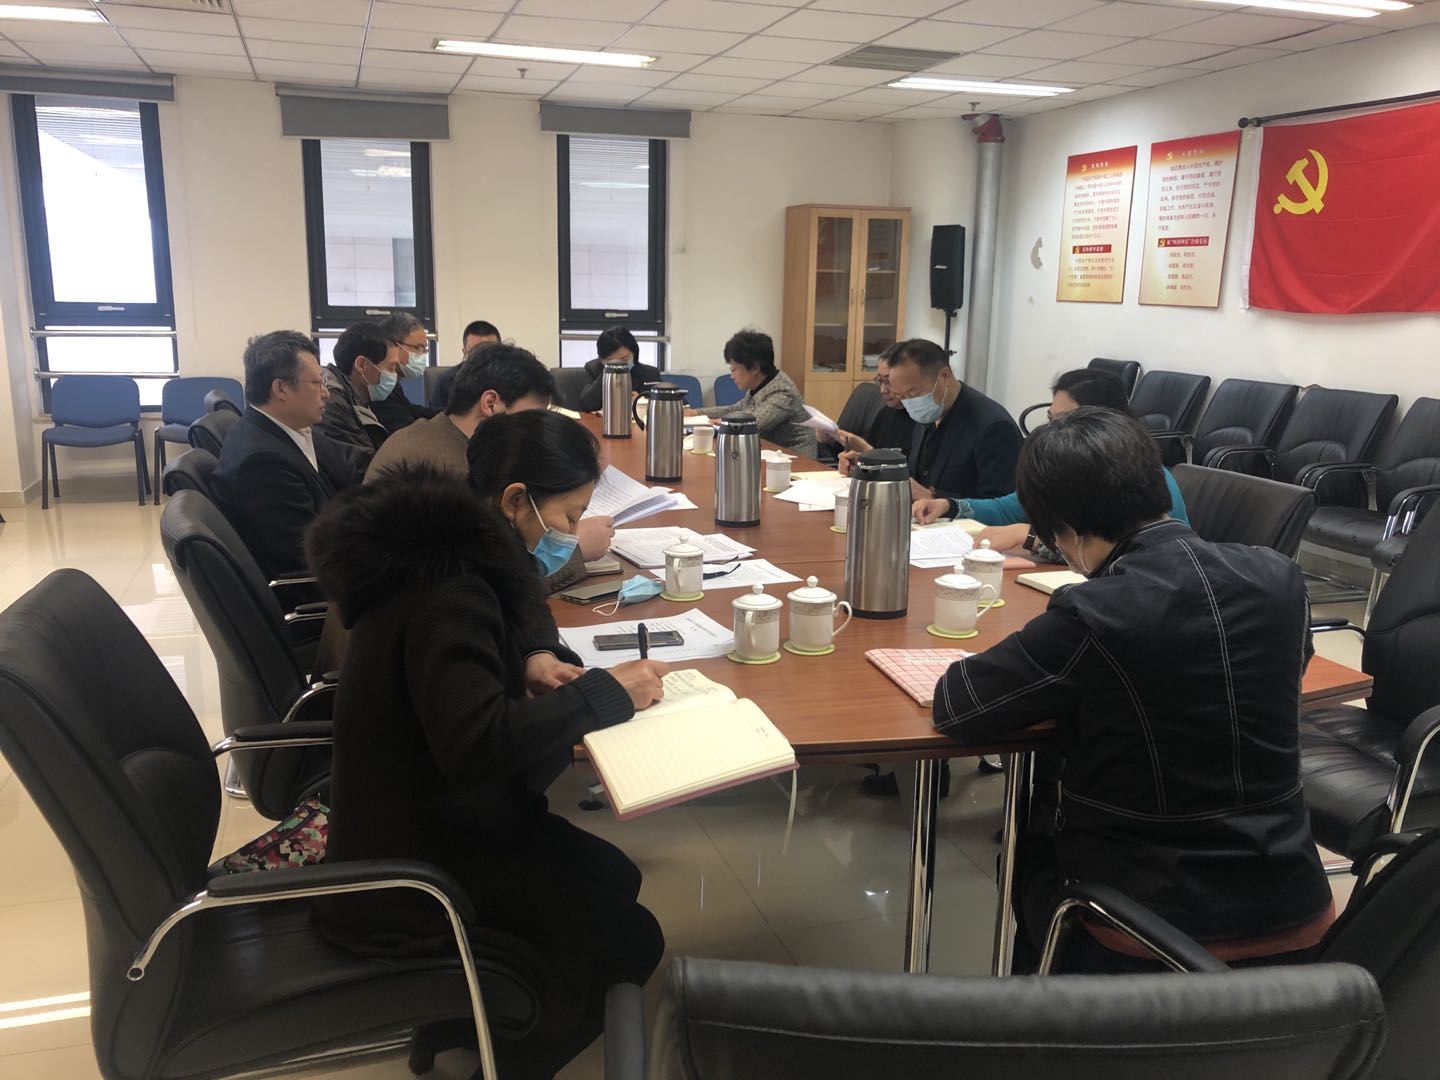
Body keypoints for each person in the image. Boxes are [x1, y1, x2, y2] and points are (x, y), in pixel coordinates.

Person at [307, 410, 667, 1078]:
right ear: (515, 500)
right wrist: (602, 694)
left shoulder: (453, 547)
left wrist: (534, 654)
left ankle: (469, 1015)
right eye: (568, 517)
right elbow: (478, 744)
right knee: (631, 940)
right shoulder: (450, 590)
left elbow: (522, 599)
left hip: (420, 819)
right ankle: (513, 1047)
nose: (571, 534)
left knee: (615, 877)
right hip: (417, 866)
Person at [931, 408, 1332, 973]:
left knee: (1027, 842)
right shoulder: (1279, 577)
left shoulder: (1095, 612)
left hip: (1143, 921)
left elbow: (960, 703)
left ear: (1065, 532)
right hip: (1296, 903)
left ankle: (1043, 1004)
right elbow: (1288, 669)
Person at [366, 343, 615, 592]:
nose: (539, 431)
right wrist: (575, 551)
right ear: (491, 403)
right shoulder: (456, 480)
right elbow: (491, 587)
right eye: (532, 418)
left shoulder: (428, 432)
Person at [912, 368, 1190, 561]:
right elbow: (1010, 507)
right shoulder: (1069, 467)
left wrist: (1030, 537)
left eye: (1064, 420)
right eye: (1051, 419)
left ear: (1102, 420)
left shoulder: (1138, 475)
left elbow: (1118, 553)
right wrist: (949, 506)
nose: (1052, 431)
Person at [212, 331, 353, 579]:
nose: (326, 393)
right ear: (281, 389)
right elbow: (306, 559)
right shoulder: (262, 464)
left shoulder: (282, 430)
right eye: (317, 383)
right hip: (321, 591)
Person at [843, 338, 1020, 503]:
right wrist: (872, 470)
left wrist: (935, 498)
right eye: (901, 396)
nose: (909, 403)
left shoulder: (993, 427)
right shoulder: (928, 414)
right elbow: (916, 477)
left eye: (912, 394)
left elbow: (1003, 507)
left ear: (945, 376)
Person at [695, 329, 817, 457]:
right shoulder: (761, 384)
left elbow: (754, 424)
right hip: (769, 454)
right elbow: (736, 409)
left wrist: (719, 422)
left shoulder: (783, 391)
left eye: (734, 369)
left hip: (794, 460)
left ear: (754, 368)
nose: (732, 376)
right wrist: (697, 413)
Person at [321, 321, 404, 485]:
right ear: (361, 365)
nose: (395, 376)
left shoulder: (358, 400)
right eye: (391, 368)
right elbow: (360, 472)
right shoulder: (331, 405)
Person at [826, 349, 915, 459]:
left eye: (889, 381)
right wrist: (833, 442)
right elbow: (868, 452)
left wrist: (867, 452)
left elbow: (907, 467)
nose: (883, 390)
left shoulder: (921, 419)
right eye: (880, 381)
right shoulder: (886, 412)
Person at [372, 312, 439, 430]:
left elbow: (411, 410)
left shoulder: (393, 383)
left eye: (425, 349)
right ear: (393, 346)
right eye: (418, 348)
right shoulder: (380, 385)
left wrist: (451, 414)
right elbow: (406, 431)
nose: (423, 355)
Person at [577, 326, 661, 413]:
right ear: (601, 359)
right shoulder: (593, 369)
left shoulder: (650, 374)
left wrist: (641, 401)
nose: (619, 365)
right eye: (612, 361)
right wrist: (606, 373)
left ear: (634, 353)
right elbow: (586, 405)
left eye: (624, 359)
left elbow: (659, 408)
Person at [432, 319, 503, 410]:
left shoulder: (512, 378)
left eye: (491, 351)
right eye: (476, 351)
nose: (485, 357)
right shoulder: (447, 381)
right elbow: (439, 416)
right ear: (465, 353)